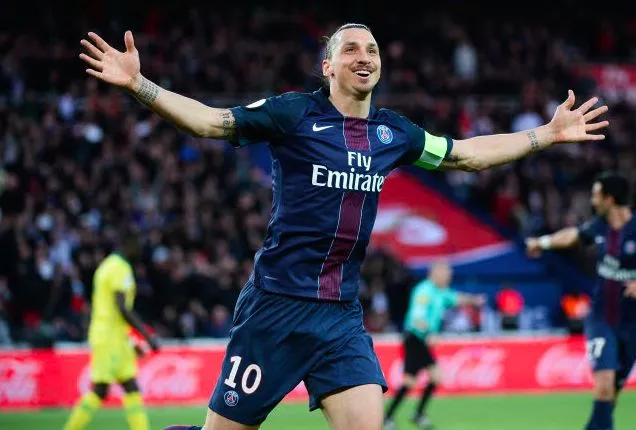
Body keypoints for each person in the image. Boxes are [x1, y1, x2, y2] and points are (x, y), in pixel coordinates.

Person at [79, 22, 608, 430]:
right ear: (327, 66)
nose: (364, 56)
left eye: (372, 49)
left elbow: (464, 155)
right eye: (351, 49)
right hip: (276, 307)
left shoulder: (392, 133)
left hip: (340, 317)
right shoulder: (293, 114)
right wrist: (139, 85)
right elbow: (212, 122)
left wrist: (545, 134)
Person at [526, 172, 636, 430]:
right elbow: (573, 236)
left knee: (610, 395)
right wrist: (542, 242)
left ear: (609, 199)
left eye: (596, 195)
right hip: (602, 319)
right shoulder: (599, 226)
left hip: (632, 325)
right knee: (604, 384)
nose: (592, 200)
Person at [63, 246, 159, 430]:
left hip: (116, 336)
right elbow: (122, 307)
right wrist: (146, 335)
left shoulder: (105, 266)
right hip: (109, 337)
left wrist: (131, 339)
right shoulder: (120, 268)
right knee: (100, 389)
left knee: (131, 386)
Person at [383, 261, 485, 429]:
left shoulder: (441, 292)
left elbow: (457, 298)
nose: (449, 278)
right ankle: (406, 415)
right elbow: (417, 317)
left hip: (421, 340)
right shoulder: (424, 291)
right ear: (436, 273)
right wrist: (429, 333)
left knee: (414, 381)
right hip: (415, 338)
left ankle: (398, 416)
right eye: (447, 274)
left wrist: (474, 300)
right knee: (429, 378)